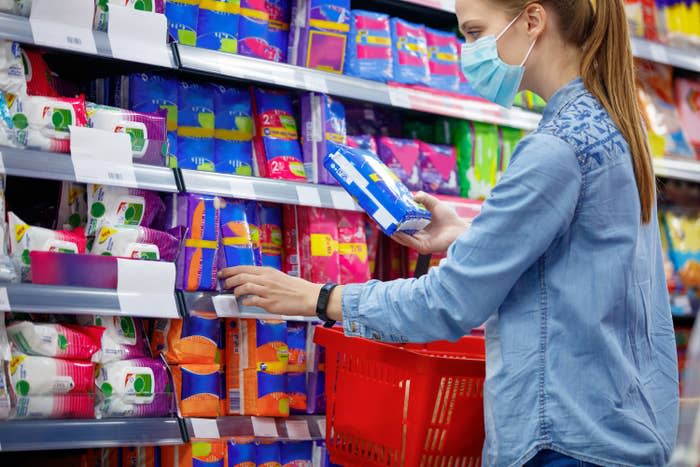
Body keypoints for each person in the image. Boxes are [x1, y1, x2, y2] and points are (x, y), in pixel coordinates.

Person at [219, 0, 680, 465]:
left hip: (565, 441)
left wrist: (318, 298)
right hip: (619, 428)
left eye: (476, 33)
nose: (468, 52)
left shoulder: (556, 149)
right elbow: (580, 262)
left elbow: (447, 303)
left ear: (533, 20)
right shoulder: (613, 129)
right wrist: (469, 237)